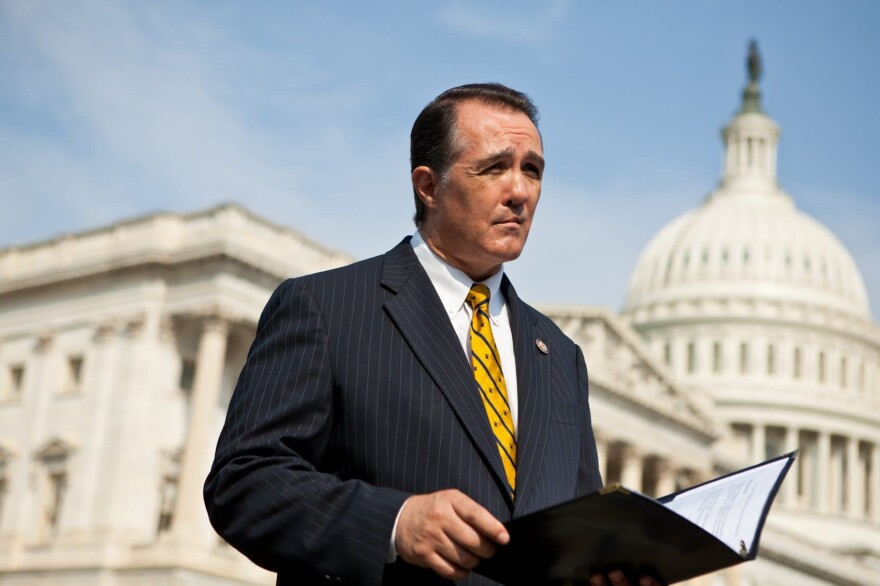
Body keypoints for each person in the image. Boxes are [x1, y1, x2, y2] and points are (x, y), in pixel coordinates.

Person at [205, 83, 660, 586]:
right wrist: (395, 524)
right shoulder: (327, 308)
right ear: (428, 185)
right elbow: (242, 482)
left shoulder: (562, 355)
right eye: (494, 167)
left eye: (532, 170)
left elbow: (572, 532)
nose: (520, 191)